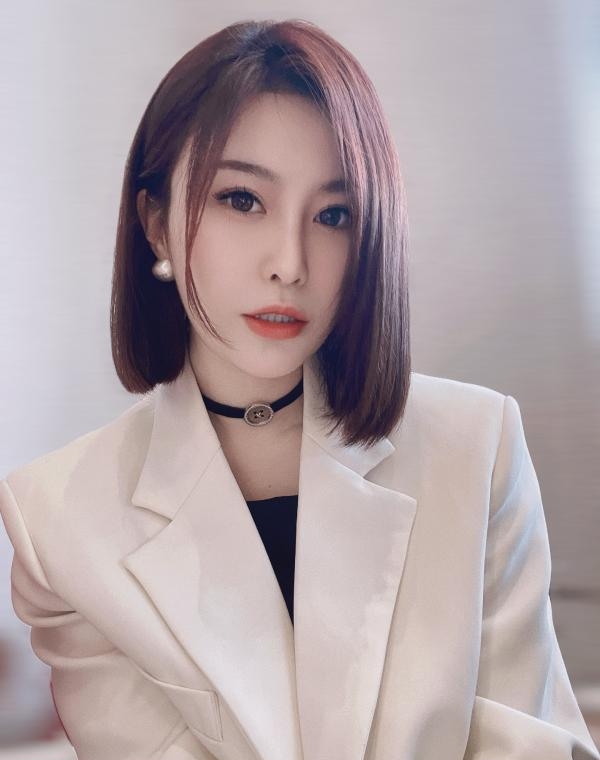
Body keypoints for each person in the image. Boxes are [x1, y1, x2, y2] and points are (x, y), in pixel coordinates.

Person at [0, 17, 598, 760]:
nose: (290, 262)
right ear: (155, 224)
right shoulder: (59, 520)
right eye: (242, 200)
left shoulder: (477, 447)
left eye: (333, 215)